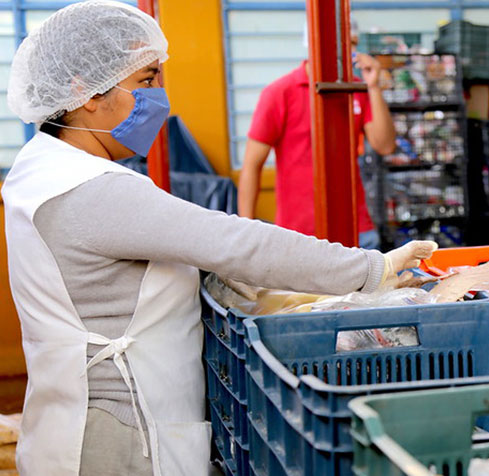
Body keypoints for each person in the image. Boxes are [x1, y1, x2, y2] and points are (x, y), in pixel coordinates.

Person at [2, 2, 435, 475]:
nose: (160, 98)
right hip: (118, 435)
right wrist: (374, 269)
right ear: (84, 92)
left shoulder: (41, 167)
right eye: (146, 81)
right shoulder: (93, 191)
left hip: (73, 414)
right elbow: (236, 241)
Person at [237, 20, 396, 250]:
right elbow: (252, 165)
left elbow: (385, 146)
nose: (348, 52)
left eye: (352, 44)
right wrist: (247, 232)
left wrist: (373, 87)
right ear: (314, 44)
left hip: (356, 228)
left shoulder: (357, 89)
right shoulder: (280, 93)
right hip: (298, 233)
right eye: (340, 44)